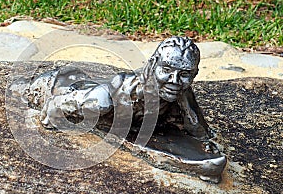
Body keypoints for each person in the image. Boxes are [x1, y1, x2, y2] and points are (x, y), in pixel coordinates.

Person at [26, 36, 212, 141]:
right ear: (152, 65)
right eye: (166, 70)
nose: (175, 80)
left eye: (185, 74)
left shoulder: (179, 91)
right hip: (53, 86)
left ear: (194, 74)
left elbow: (199, 131)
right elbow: (52, 109)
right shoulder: (111, 96)